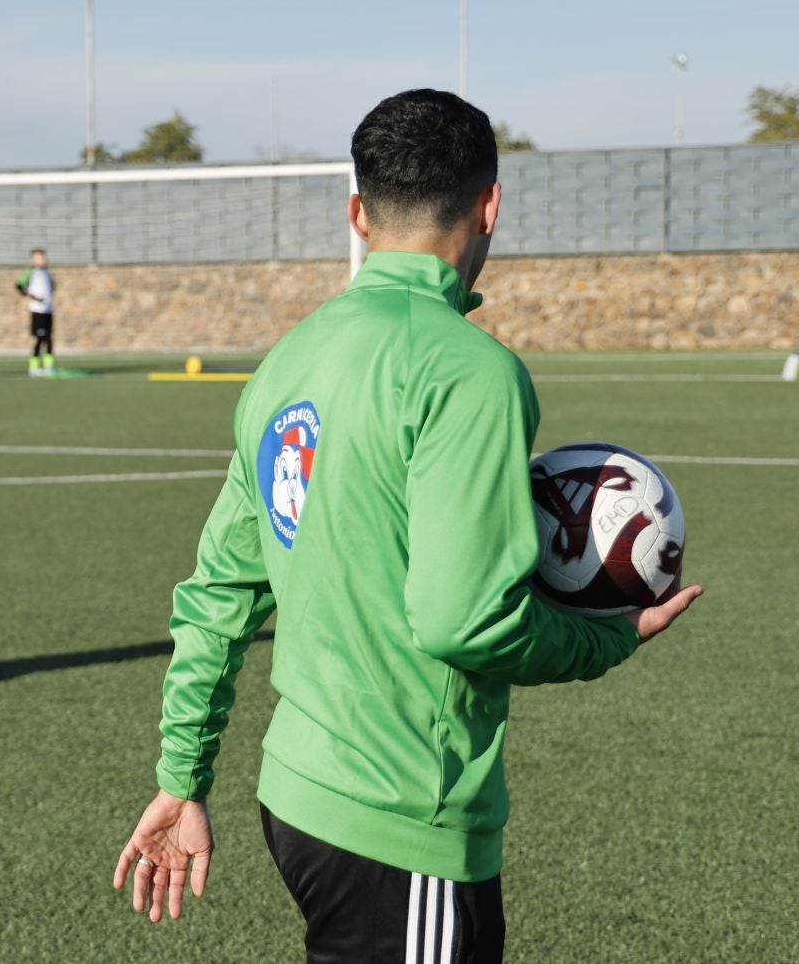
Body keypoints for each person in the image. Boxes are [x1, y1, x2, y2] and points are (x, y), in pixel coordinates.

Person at [110, 89, 703, 961]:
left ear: (357, 211)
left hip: (299, 794)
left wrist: (182, 777)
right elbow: (462, 620)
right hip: (399, 817)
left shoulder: (290, 359)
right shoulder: (471, 371)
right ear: (491, 204)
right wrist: (606, 641)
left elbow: (217, 595)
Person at [16, 248, 56, 377]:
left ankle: (49, 366)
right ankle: (34, 367)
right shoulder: (31, 273)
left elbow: (52, 287)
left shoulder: (47, 273)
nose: (42, 260)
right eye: (39, 257)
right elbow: (19, 285)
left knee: (49, 338)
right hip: (37, 310)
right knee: (40, 338)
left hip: (48, 310)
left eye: (43, 257)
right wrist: (32, 296)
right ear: (33, 260)